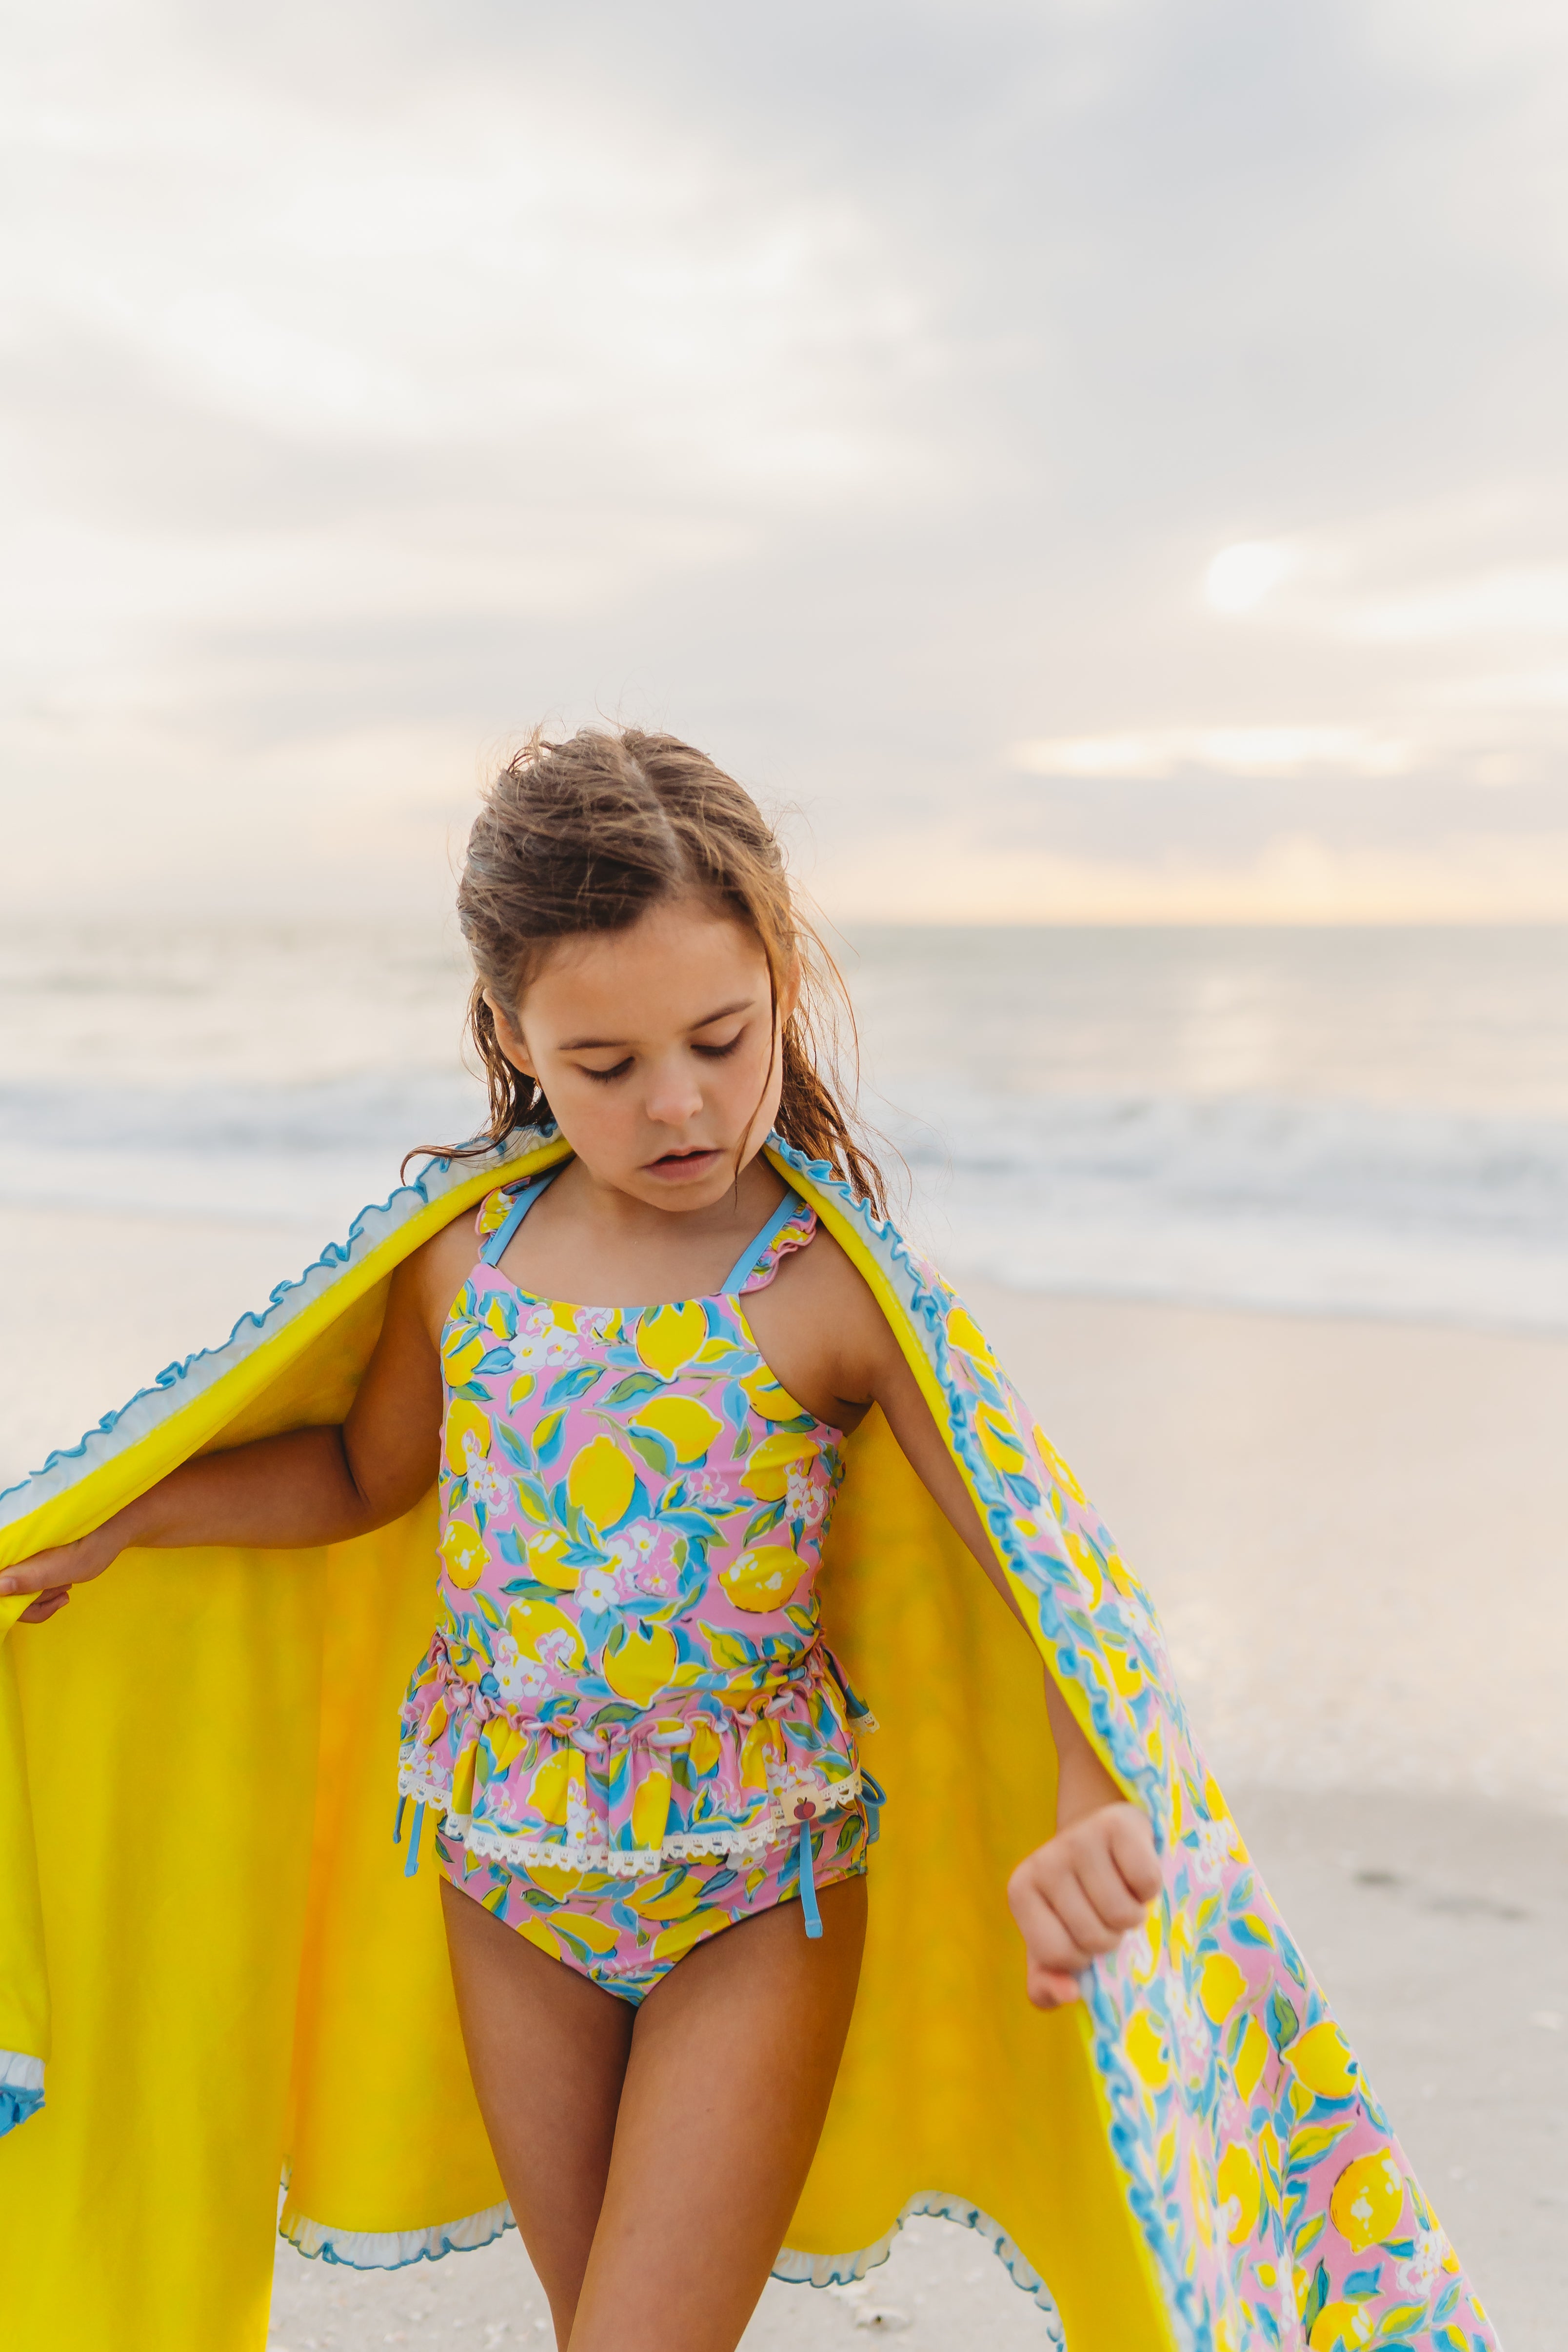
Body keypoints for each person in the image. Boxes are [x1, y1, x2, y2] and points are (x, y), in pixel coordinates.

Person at [1, 728, 1162, 2352]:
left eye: (721, 1038)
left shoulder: (830, 1293)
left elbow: (1026, 1554)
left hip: (762, 1886)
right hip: (502, 1871)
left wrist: (1091, 1778)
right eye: (607, 1066)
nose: (678, 1106)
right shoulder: (465, 1257)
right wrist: (127, 1523)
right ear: (512, 1035)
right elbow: (356, 1475)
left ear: (781, 981)